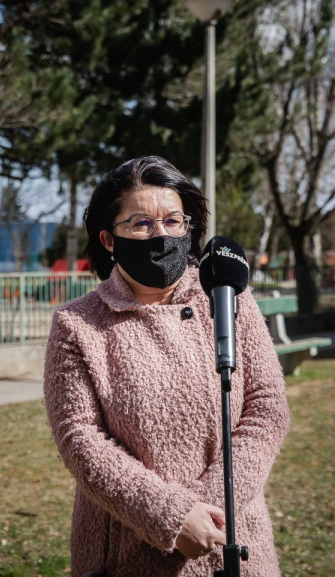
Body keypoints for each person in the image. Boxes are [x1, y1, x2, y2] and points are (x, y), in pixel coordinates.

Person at [43, 156, 290, 576]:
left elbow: (267, 409)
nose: (161, 235)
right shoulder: (78, 324)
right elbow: (79, 439)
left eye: (174, 221)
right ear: (108, 239)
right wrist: (170, 516)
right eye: (141, 224)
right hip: (125, 549)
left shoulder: (228, 298)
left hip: (229, 536)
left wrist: (207, 510)